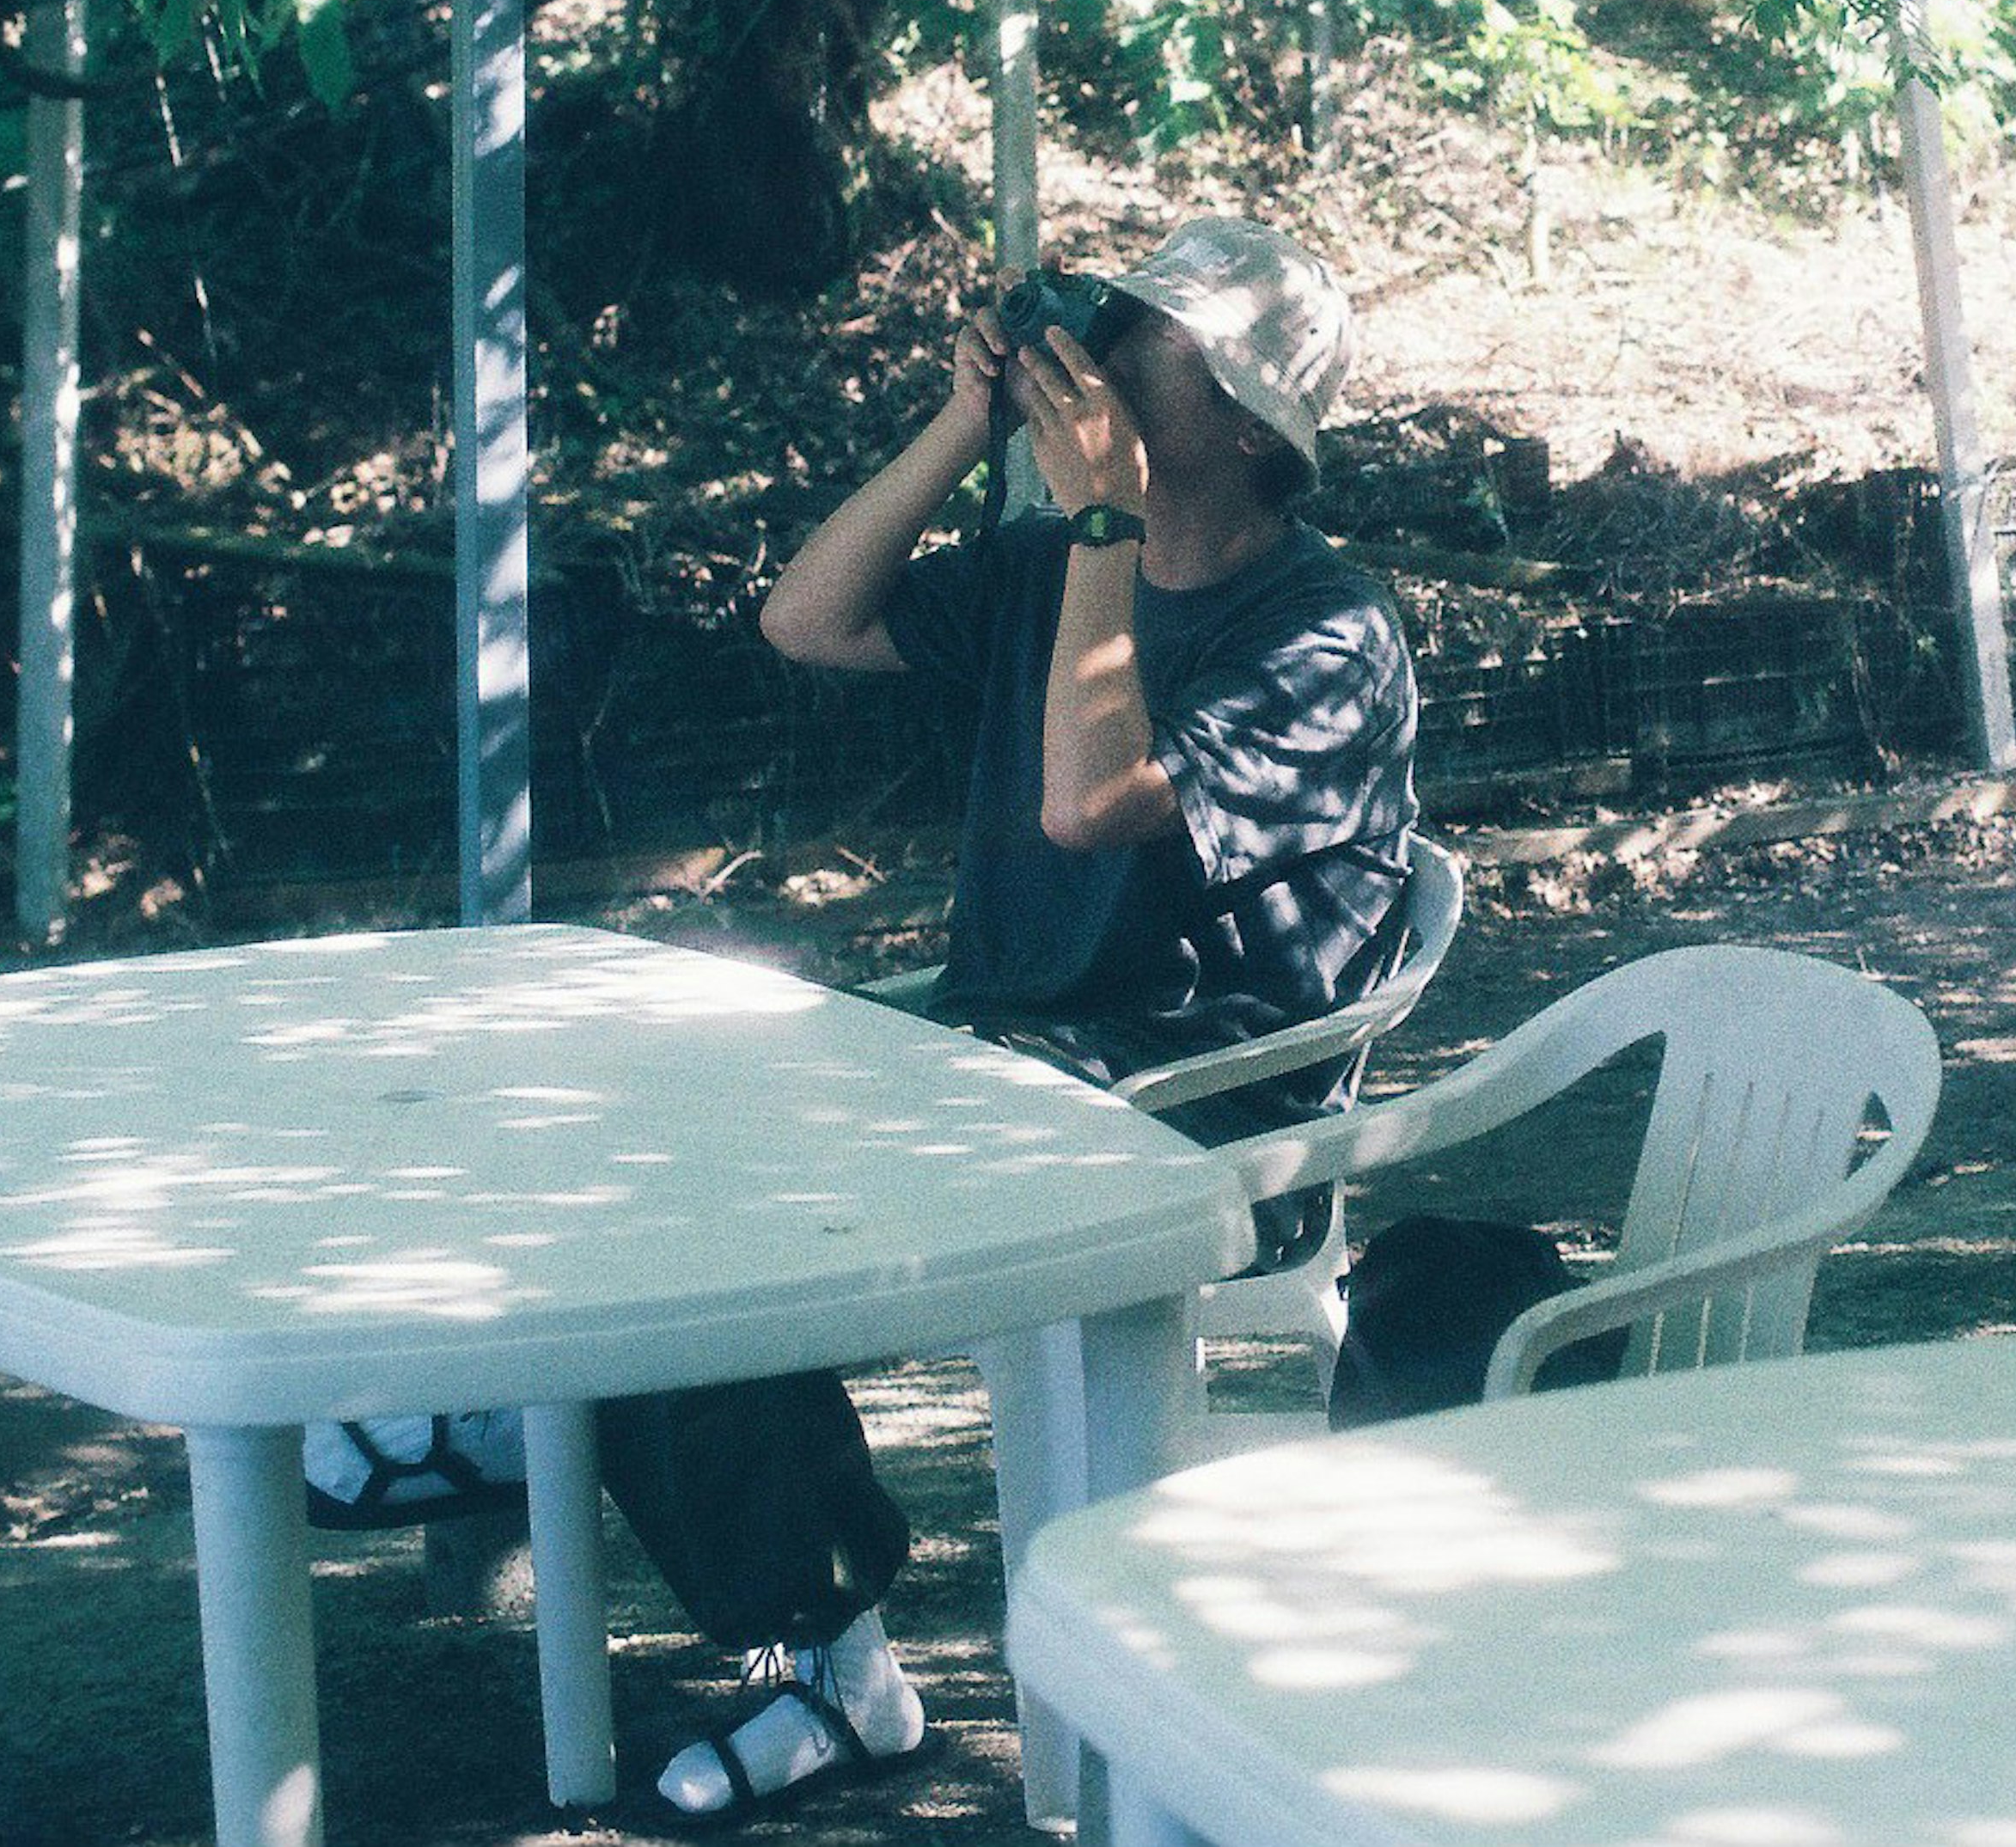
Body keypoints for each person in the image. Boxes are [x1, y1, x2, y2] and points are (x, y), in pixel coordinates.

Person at [604, 217, 1420, 1820]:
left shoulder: (1328, 634)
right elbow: (806, 622)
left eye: (1145, 334)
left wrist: (1103, 513)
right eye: (1100, 319)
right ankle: (826, 1662)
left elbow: (1088, 801)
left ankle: (670, 1530)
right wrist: (958, 427)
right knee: (676, 1173)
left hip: (1198, 1123)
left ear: (1254, 425)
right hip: (1004, 1072)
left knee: (718, 1226)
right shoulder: (1055, 561)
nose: (1099, 352)